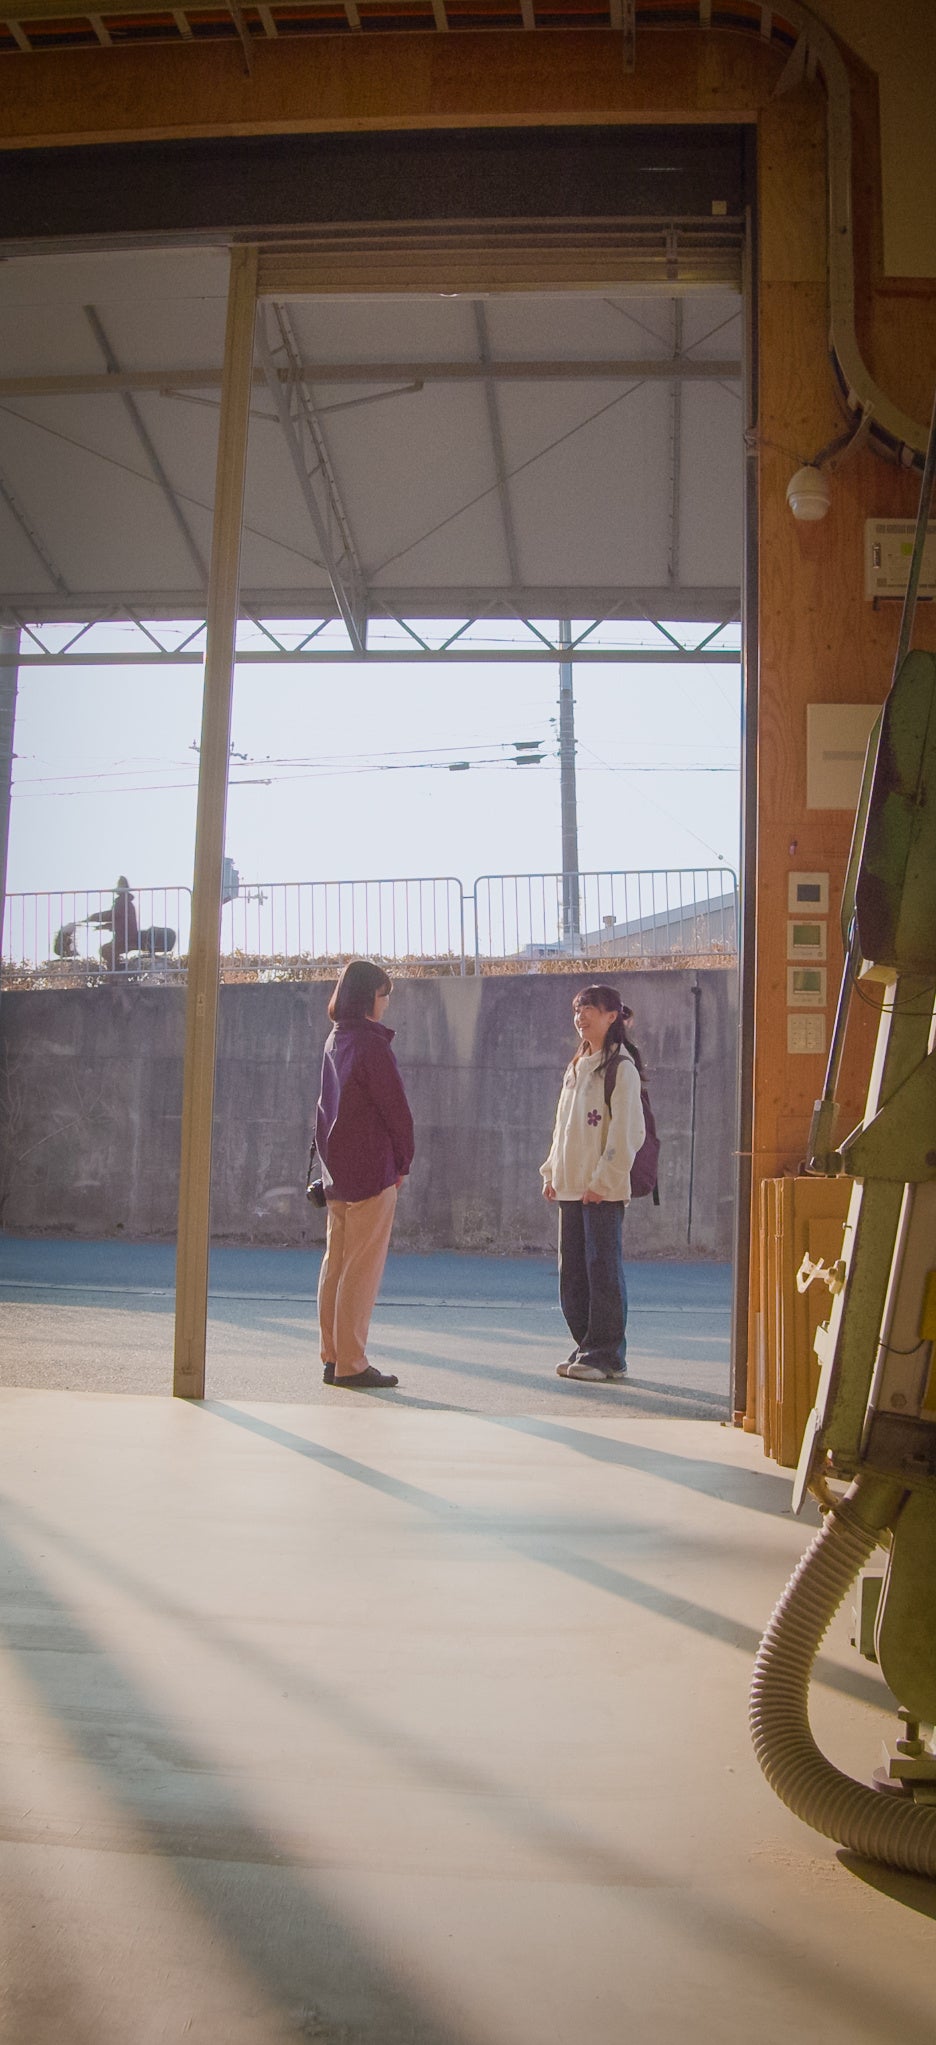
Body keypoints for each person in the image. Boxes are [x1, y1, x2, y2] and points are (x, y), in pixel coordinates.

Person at [314, 958, 415, 1390]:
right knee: (361, 1270)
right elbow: (396, 1109)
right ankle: (352, 1363)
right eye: (383, 994)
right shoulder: (372, 1045)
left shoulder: (335, 1039)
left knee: (336, 1265)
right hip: (372, 1168)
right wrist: (403, 1161)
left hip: (337, 1169)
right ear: (368, 998)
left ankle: (333, 1356)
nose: (386, 1002)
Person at [541, 984, 646, 1384]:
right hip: (571, 1186)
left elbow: (627, 1132)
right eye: (577, 1010)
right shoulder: (577, 1066)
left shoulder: (621, 1067)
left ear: (612, 1015)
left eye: (589, 1009)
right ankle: (587, 1345)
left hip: (601, 1190)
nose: (581, 1016)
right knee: (573, 1275)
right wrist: (552, 1172)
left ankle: (607, 1355)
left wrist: (604, 1181)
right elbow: (562, 1128)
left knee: (602, 1271)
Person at [87, 876, 139, 972]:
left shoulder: (122, 901)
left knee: (105, 950)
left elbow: (112, 915)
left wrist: (93, 917)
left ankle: (118, 971)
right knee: (109, 950)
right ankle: (118, 969)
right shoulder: (126, 902)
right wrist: (102, 926)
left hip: (125, 937)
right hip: (126, 936)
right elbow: (118, 921)